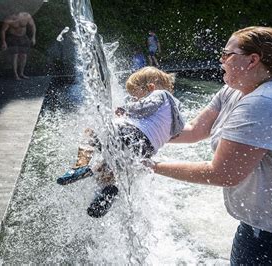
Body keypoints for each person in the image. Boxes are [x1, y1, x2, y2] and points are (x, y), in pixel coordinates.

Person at [143, 26, 272, 264]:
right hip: (271, 220)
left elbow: (222, 173)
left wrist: (151, 165)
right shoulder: (235, 89)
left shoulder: (267, 103)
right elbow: (194, 130)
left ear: (252, 60)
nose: (221, 60)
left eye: (227, 54)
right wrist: (140, 134)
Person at [57, 66, 185, 218]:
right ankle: (108, 190)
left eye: (136, 96)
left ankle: (80, 166)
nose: (134, 100)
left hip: (129, 134)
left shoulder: (160, 94)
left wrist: (126, 109)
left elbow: (145, 107)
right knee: (109, 166)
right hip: (145, 150)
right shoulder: (176, 116)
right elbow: (173, 134)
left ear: (151, 87)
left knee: (90, 132)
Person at [1, 12, 36, 80]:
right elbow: (3, 30)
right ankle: (15, 74)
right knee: (15, 56)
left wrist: (33, 37)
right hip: (13, 38)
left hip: (23, 38)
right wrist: (3, 42)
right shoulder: (9, 18)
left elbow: (33, 26)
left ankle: (21, 73)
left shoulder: (26, 16)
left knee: (24, 56)